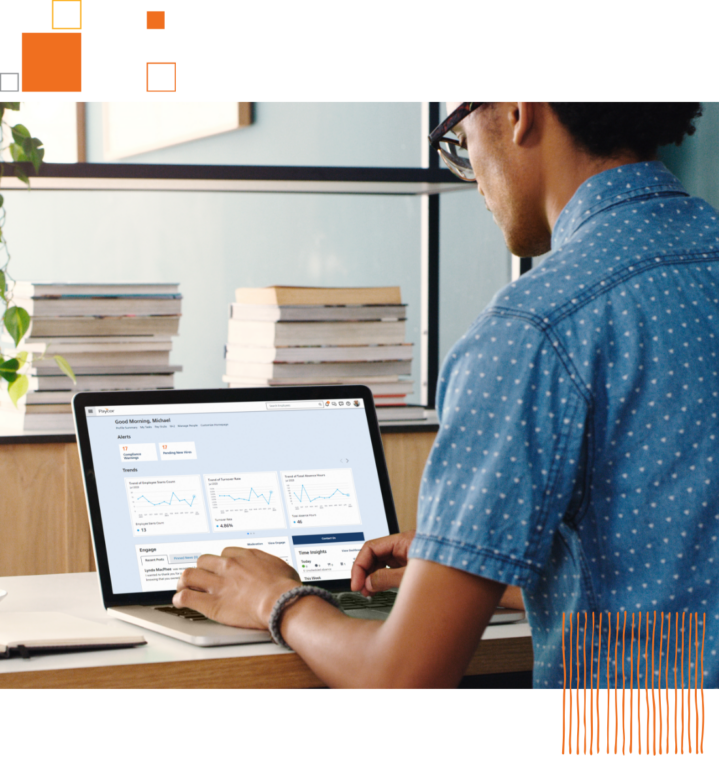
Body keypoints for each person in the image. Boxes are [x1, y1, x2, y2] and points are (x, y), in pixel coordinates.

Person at [173, 100, 717, 690]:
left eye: (458, 134)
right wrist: (465, 574)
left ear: (516, 112)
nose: (472, 168)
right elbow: (672, 575)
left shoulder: (534, 329)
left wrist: (276, 599)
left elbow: (402, 678)